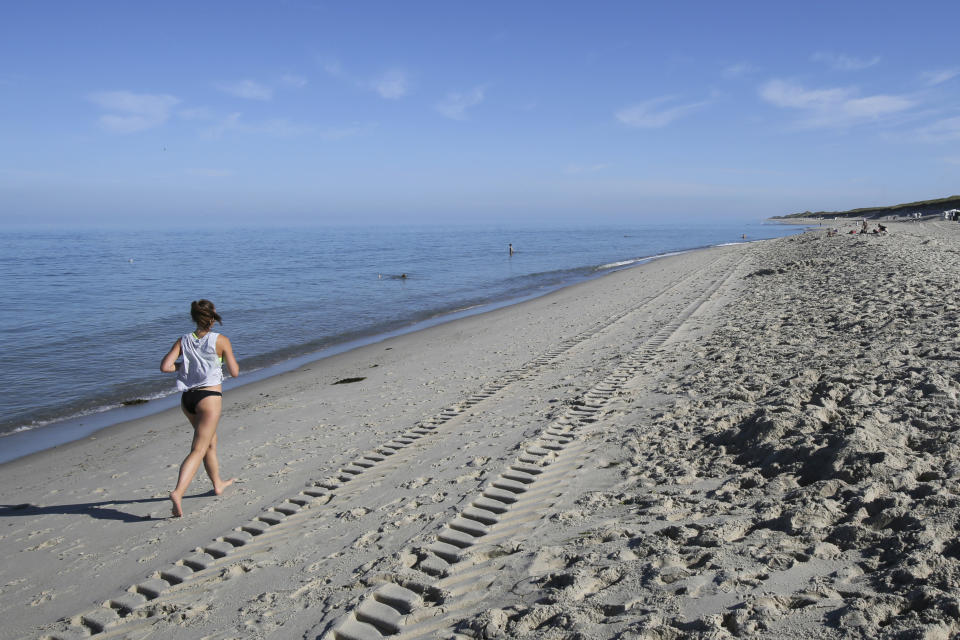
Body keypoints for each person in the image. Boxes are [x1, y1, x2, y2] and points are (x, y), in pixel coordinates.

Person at [160, 300, 239, 517]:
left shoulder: (183, 340)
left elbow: (165, 367)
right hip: (209, 397)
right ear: (212, 318)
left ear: (194, 318)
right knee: (198, 448)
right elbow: (234, 371)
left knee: (209, 443)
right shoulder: (221, 340)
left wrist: (186, 365)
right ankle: (178, 492)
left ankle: (218, 484)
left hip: (188, 399)